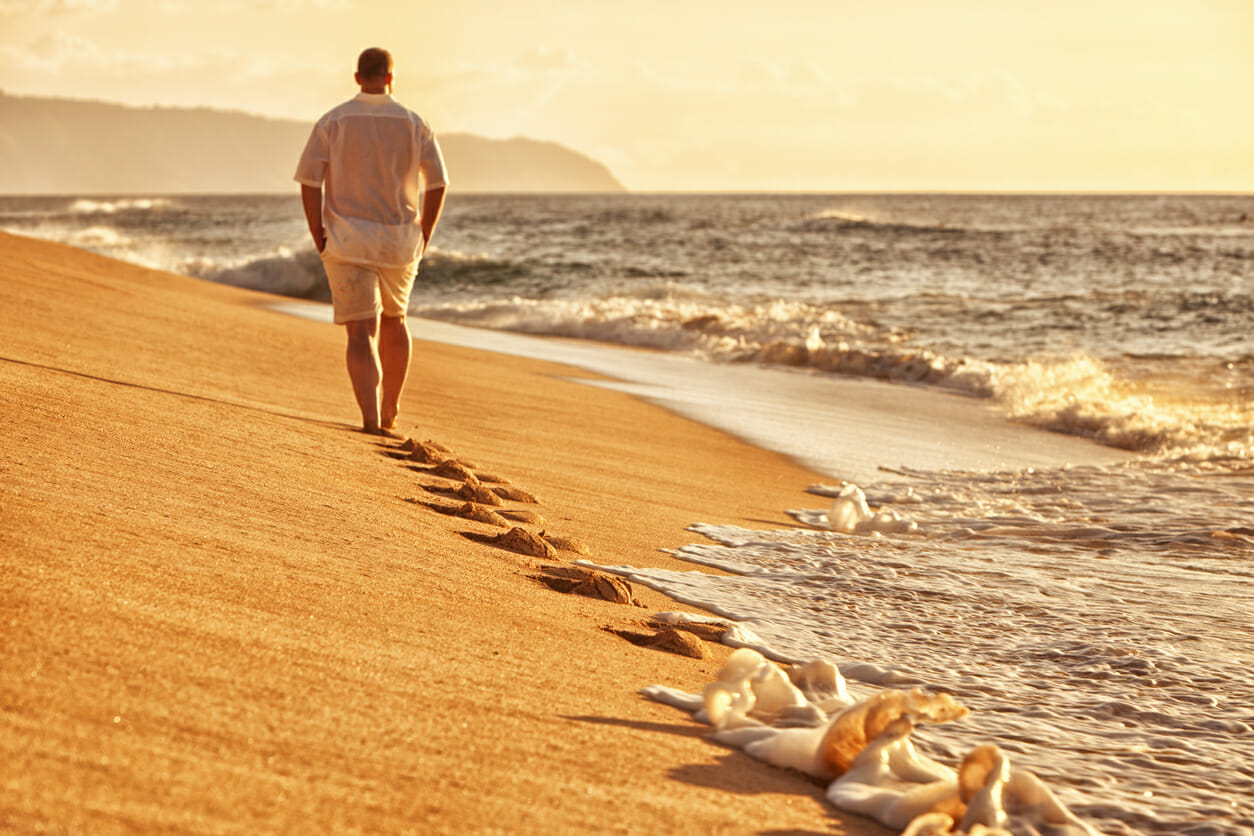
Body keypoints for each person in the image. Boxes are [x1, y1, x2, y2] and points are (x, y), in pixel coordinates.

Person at [294, 47, 448, 436]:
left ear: (358, 77)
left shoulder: (334, 120)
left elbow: (310, 180)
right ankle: (390, 406)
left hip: (347, 237)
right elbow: (438, 182)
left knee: (360, 331)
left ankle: (368, 418)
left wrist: (318, 233)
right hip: (399, 239)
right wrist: (424, 232)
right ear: (391, 78)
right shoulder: (415, 123)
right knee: (395, 320)